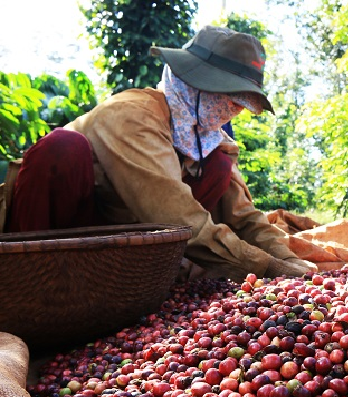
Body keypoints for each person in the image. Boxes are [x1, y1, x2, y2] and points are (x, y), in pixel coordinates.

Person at [0, 26, 315, 281]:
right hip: (55, 235)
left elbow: (244, 216)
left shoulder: (207, 140)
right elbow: (174, 215)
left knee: (218, 166)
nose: (237, 111)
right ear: (195, 84)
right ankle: (26, 282)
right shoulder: (133, 114)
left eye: (243, 104)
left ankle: (131, 280)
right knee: (63, 148)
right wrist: (264, 267)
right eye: (233, 98)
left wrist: (288, 261)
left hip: (117, 250)